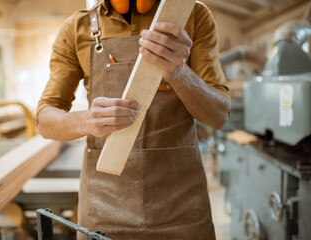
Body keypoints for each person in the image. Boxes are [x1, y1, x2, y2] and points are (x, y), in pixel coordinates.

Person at [36, 0, 230, 239]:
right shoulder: (78, 28)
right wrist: (85, 121)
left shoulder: (191, 15)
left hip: (181, 207)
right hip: (103, 208)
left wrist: (179, 74)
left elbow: (219, 116)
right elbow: (45, 119)